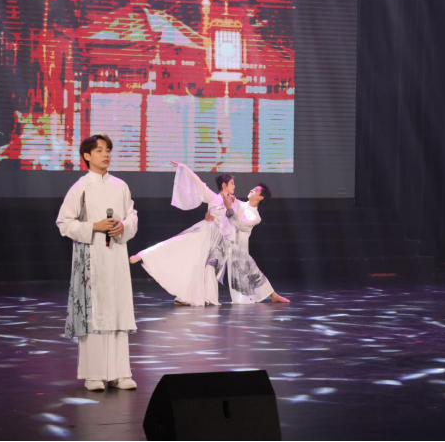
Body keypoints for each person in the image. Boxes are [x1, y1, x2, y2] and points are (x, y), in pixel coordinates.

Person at [56, 134, 139, 392]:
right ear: (87, 156)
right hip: (92, 259)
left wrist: (123, 226)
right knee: (95, 312)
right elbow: (64, 223)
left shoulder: (121, 186)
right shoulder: (80, 187)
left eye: (108, 150)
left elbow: (132, 216)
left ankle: (120, 373)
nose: (106, 155)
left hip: (116, 257)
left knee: (118, 309)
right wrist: (94, 226)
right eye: (100, 150)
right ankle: (93, 374)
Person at [130, 162, 235, 307]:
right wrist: (183, 167)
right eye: (232, 183)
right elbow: (198, 182)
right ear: (224, 185)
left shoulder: (234, 202)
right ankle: (144, 255)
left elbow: (236, 218)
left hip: (219, 239)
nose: (234, 186)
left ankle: (192, 296)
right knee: (180, 246)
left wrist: (228, 211)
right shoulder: (213, 197)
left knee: (201, 266)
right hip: (205, 233)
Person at [207, 184, 291, 304]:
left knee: (251, 271)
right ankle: (205, 297)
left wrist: (230, 208)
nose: (251, 190)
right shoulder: (238, 203)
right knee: (209, 266)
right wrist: (212, 213)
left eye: (255, 190)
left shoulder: (256, 217)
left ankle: (273, 295)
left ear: (261, 197)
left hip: (238, 248)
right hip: (223, 243)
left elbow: (240, 224)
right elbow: (221, 208)